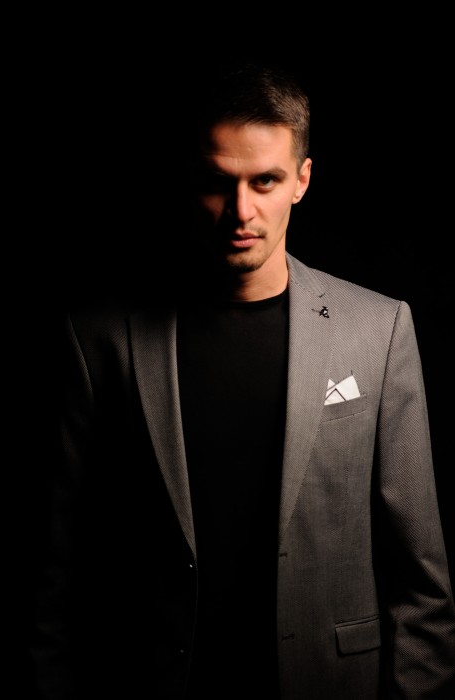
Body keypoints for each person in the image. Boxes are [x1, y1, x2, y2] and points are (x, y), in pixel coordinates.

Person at [30, 60, 455, 699]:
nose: (240, 211)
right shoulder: (100, 341)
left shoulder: (379, 330)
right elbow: (55, 571)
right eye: (217, 182)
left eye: (265, 181)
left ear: (301, 181)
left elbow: (422, 584)